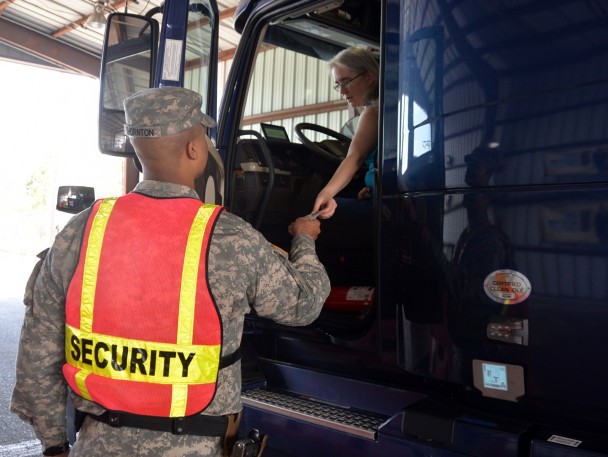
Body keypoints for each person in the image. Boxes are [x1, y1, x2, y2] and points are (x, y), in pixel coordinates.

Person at [11, 86, 331, 457]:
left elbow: (38, 353)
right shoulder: (230, 237)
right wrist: (304, 240)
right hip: (199, 446)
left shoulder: (81, 231)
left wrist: (53, 444)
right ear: (195, 150)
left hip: (98, 443)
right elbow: (303, 305)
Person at [311, 46, 379, 219]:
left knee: (315, 215)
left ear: (369, 77)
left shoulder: (373, 112)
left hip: (378, 205)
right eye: (338, 84)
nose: (342, 91)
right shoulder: (386, 108)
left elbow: (354, 158)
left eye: (346, 81)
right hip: (375, 196)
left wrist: (327, 192)